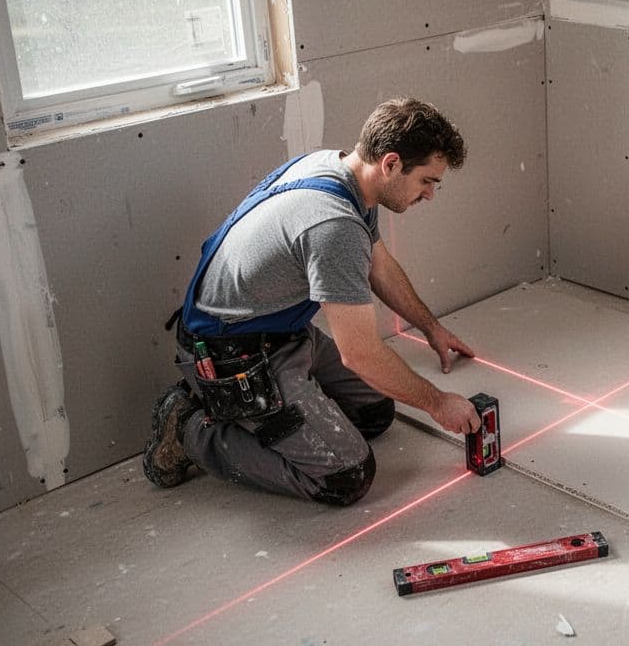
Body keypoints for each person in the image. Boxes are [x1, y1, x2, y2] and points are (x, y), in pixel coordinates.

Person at [143, 97, 483, 506]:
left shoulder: (342, 172)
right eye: (427, 180)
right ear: (391, 163)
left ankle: (288, 407)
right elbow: (359, 354)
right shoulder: (334, 226)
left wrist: (431, 327)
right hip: (232, 355)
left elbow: (380, 266)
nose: (430, 194)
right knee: (346, 477)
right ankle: (189, 427)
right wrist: (438, 403)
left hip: (276, 331)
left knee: (375, 412)